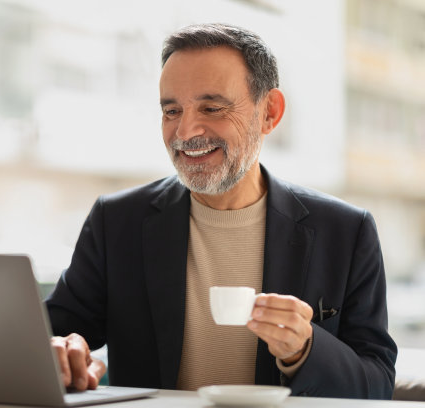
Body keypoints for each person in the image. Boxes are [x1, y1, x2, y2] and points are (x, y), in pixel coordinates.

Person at [45, 23, 397, 399]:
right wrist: (61, 349)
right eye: (171, 110)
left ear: (270, 113)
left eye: (211, 108)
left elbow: (376, 384)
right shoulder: (117, 222)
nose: (186, 130)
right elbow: (55, 332)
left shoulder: (346, 232)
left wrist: (306, 349)